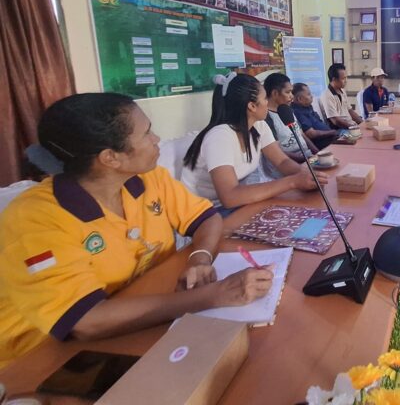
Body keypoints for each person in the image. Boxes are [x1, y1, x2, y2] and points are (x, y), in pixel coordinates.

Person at [0, 93, 274, 367]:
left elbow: (206, 218)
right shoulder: (35, 220)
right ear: (111, 158)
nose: (156, 139)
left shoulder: (146, 177)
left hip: (145, 316)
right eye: (146, 134)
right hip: (45, 359)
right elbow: (86, 322)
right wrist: (213, 295)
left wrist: (199, 258)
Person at [182, 72, 327, 210]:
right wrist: (293, 181)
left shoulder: (259, 126)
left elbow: (282, 161)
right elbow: (229, 197)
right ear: (252, 106)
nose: (267, 103)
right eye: (265, 99)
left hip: (241, 203)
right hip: (207, 211)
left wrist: (307, 175)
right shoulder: (219, 137)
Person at [263, 72, 317, 161]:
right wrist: (304, 159)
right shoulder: (266, 117)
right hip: (292, 162)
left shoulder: (288, 109)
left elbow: (302, 135)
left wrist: (318, 152)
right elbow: (276, 151)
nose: (292, 96)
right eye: (288, 92)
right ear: (275, 93)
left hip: (307, 157)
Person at [291, 83, 338, 151]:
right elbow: (311, 134)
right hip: (322, 143)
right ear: (300, 99)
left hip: (330, 137)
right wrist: (331, 132)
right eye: (309, 94)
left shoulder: (308, 106)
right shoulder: (297, 112)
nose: (312, 96)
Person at [320, 63, 363, 128]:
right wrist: (354, 128)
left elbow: (350, 111)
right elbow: (336, 121)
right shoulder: (327, 95)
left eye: (346, 77)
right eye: (343, 78)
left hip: (351, 126)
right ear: (334, 79)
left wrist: (363, 123)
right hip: (340, 129)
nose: (346, 81)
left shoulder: (342, 91)